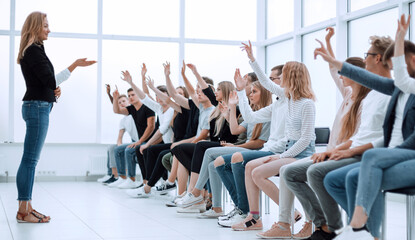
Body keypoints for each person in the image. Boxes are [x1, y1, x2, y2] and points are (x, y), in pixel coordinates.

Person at [283, 35, 393, 240]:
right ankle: (337, 227)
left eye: (367, 54)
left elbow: (382, 139)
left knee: (317, 173)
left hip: (366, 154)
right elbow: (362, 134)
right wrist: (336, 150)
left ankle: (343, 228)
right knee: (291, 172)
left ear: (377, 58)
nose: (365, 59)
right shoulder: (366, 96)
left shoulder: (385, 95)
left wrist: (344, 151)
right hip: (350, 150)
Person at [325, 14, 415, 240]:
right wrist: (335, 63)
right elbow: (368, 78)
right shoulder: (398, 89)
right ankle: (369, 235)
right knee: (343, 178)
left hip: (405, 155)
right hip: (393, 155)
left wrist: (401, 37)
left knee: (371, 159)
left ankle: (357, 227)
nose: (395, 68)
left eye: (398, 62)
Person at [16, 11, 96, 223]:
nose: (49, 29)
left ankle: (27, 207)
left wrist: (53, 89)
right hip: (37, 108)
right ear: (35, 27)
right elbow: (50, 81)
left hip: (37, 106)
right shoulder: (33, 51)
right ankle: (23, 211)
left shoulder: (34, 50)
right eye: (45, 25)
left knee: (30, 160)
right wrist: (73, 66)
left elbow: (46, 82)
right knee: (30, 161)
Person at [230, 41, 317, 232]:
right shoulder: (288, 98)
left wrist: (281, 156)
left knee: (257, 172)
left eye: (283, 74)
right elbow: (266, 82)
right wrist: (252, 59)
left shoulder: (307, 104)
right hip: (290, 151)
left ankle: (288, 218)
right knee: (252, 167)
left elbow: (305, 139)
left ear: (292, 77)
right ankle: (255, 217)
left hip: (302, 153)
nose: (280, 78)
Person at [177, 79, 272, 218]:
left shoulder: (266, 115)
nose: (250, 94)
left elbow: (259, 143)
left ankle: (196, 192)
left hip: (255, 151)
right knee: (211, 164)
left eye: (254, 92)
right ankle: (216, 208)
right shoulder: (253, 114)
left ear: (264, 94)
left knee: (208, 151)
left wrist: (237, 146)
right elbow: (235, 130)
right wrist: (230, 111)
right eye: (250, 91)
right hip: (245, 148)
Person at [109, 84, 156, 188]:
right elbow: (116, 111)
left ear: (138, 95)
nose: (130, 97)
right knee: (118, 149)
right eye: (129, 95)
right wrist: (115, 98)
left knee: (129, 150)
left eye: (133, 95)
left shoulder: (147, 107)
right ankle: (122, 178)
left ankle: (131, 179)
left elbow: (151, 127)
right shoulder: (132, 109)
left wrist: (139, 142)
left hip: (151, 141)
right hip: (141, 141)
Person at [98, 85, 139, 185]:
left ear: (129, 101)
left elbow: (117, 107)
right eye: (119, 102)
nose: (121, 103)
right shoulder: (123, 120)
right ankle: (114, 175)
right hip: (134, 142)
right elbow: (119, 137)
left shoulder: (135, 112)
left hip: (140, 141)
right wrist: (119, 146)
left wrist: (112, 97)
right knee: (113, 147)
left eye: (124, 101)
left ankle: (120, 176)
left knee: (123, 149)